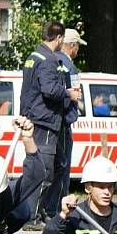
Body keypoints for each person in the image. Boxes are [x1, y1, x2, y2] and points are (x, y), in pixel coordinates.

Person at [20, 21, 71, 229]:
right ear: (59, 38)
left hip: (35, 119)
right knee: (43, 171)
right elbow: (50, 90)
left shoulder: (33, 57)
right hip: (45, 121)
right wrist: (68, 93)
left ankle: (41, 211)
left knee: (56, 166)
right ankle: (31, 217)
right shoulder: (49, 60)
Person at [53, 28, 84, 213]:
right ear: (72, 45)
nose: (78, 50)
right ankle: (60, 206)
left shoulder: (51, 60)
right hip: (64, 123)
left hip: (51, 122)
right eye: (78, 46)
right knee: (62, 167)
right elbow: (75, 93)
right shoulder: (70, 67)